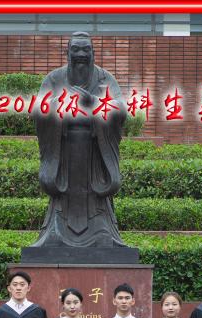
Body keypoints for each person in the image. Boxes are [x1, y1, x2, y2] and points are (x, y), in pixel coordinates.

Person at [31, 31, 128, 251]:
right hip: (64, 153)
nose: (81, 54)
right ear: (67, 52)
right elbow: (39, 109)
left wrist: (92, 101)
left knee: (96, 201)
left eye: (86, 49)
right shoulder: (54, 79)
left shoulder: (105, 78)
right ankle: (56, 229)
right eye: (76, 49)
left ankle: (102, 229)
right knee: (62, 201)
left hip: (95, 153)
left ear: (93, 52)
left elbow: (121, 109)